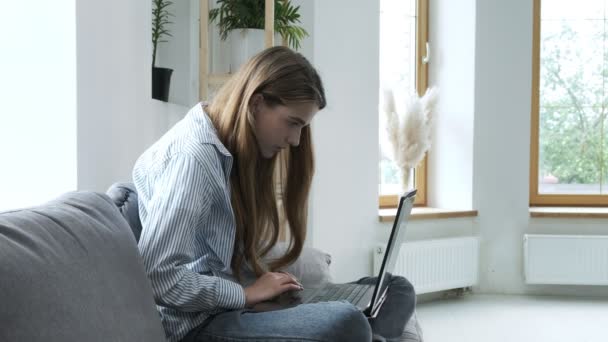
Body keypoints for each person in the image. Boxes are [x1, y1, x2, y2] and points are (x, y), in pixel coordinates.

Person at [133, 46, 416, 342]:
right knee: (349, 322)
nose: (295, 140)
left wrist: (259, 293)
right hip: (199, 326)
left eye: (302, 128)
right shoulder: (193, 159)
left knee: (396, 289)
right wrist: (244, 294)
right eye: (293, 123)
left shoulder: (225, 145)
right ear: (256, 103)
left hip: (234, 309)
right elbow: (158, 276)